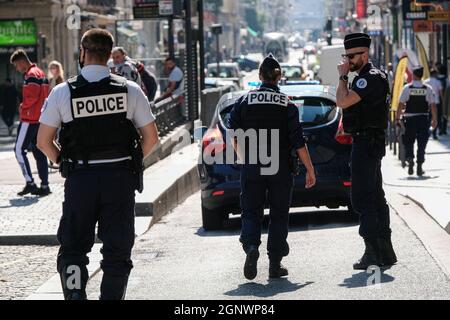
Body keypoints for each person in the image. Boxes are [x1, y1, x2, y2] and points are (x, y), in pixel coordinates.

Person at [36, 28, 160, 300]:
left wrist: (62, 160)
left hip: (81, 178)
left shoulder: (62, 92)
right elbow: (151, 138)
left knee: (73, 248)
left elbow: (43, 141)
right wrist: (132, 161)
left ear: (82, 53)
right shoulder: (129, 90)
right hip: (119, 178)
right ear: (109, 55)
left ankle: (76, 296)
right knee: (117, 250)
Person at [228, 54, 316, 280]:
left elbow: (234, 133)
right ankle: (275, 264)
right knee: (279, 214)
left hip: (252, 164)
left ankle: (251, 247)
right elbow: (298, 142)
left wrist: (242, 158)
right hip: (280, 167)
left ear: (259, 76)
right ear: (280, 77)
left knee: (251, 211)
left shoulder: (244, 101)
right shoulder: (287, 104)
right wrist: (310, 169)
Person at [336, 33, 396, 270]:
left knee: (362, 197)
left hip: (365, 143)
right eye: (346, 57)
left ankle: (372, 251)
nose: (347, 61)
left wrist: (342, 76)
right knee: (376, 195)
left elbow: (341, 101)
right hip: (371, 142)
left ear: (364, 54)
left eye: (351, 57)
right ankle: (385, 249)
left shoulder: (366, 79)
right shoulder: (374, 76)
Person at [10, 49, 50, 196]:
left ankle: (30, 182)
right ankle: (44, 186)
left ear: (22, 62)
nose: (17, 68)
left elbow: (32, 97)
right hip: (39, 118)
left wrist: (22, 106)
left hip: (29, 118)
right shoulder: (39, 72)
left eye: (16, 65)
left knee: (19, 150)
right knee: (39, 152)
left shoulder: (31, 74)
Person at [396, 66, 438, 176]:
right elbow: (433, 105)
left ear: (414, 75)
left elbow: (400, 104)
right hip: (423, 119)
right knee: (422, 143)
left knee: (409, 141)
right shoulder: (427, 88)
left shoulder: (407, 88)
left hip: (409, 120)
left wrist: (397, 118)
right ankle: (419, 165)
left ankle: (410, 158)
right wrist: (435, 119)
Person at [425, 68, 443, 139]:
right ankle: (434, 134)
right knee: (435, 118)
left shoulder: (425, 82)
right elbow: (441, 92)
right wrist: (443, 101)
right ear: (435, 74)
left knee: (428, 118)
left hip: (427, 103)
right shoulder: (438, 82)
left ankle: (427, 132)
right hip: (436, 102)